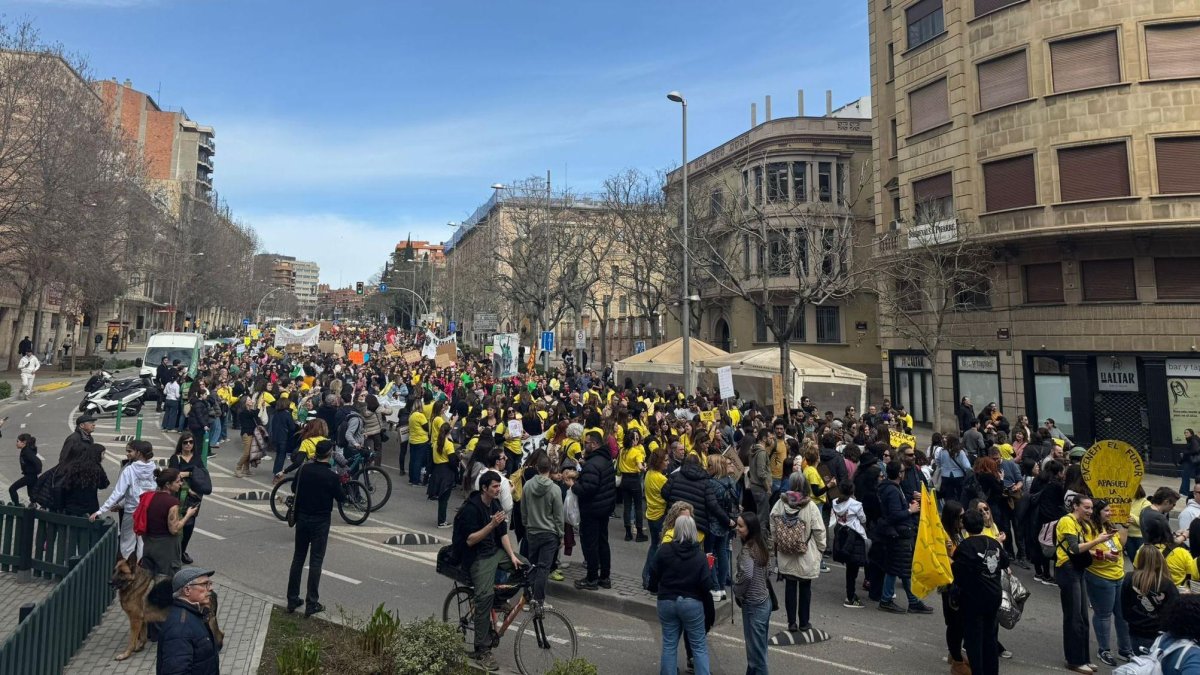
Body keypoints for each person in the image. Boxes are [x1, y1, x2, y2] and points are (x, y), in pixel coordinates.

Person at [461, 470, 524, 672]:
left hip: (495, 552)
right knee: (483, 597)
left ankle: (499, 599)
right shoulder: (472, 508)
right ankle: (482, 649)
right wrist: (491, 524)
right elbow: (470, 540)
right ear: (485, 488)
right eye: (495, 486)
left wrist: (513, 556)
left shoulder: (496, 504)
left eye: (499, 486)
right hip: (478, 557)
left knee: (525, 568)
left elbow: (502, 534)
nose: (498, 490)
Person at [1056, 494, 1115, 673]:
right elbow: (1075, 548)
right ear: (1075, 506)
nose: (1090, 511)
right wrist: (1098, 541)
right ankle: (1074, 660)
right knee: (1073, 617)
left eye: (1091, 508)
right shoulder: (1067, 521)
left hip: (1078, 569)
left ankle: (1083, 658)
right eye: (1086, 508)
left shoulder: (1081, 524)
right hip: (1067, 569)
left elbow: (1085, 549)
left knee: (1082, 617)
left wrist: (1103, 554)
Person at [286, 440, 345, 617]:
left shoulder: (304, 469)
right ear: (329, 455)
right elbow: (341, 497)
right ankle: (312, 602)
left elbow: (293, 487)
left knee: (298, 558)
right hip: (321, 521)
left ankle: (292, 598)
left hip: (302, 518)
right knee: (316, 561)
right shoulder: (331, 476)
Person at [649, 513, 711, 675]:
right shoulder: (699, 556)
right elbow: (706, 585)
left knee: (669, 643)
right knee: (698, 645)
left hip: (667, 600)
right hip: (692, 602)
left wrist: (654, 588)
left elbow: (653, 573)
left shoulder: (664, 550)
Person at [951, 508, 1008, 675]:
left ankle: (978, 671)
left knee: (974, 639)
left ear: (965, 527)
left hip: (974, 598)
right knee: (990, 637)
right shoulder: (994, 543)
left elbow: (958, 572)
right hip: (993, 595)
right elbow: (1004, 562)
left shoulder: (966, 546)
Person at [771, 475, 827, 633]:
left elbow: (772, 522)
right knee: (805, 587)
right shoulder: (810, 506)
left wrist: (778, 541)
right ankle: (804, 622)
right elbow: (819, 530)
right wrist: (821, 548)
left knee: (790, 586)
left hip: (785, 551)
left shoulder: (781, 502)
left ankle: (791, 623)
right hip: (805, 553)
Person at [876, 461, 933, 613]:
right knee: (901, 568)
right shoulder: (892, 490)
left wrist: (908, 501)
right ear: (899, 474)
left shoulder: (891, 488)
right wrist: (910, 510)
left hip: (898, 532)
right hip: (899, 533)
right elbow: (894, 515)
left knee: (898, 568)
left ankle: (904, 600)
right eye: (902, 471)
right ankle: (892, 600)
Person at [1086, 499, 1133, 665]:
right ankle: (1103, 650)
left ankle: (1125, 650)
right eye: (1106, 510)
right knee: (1104, 615)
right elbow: (1084, 549)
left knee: (1122, 615)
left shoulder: (1109, 526)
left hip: (1118, 576)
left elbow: (1120, 544)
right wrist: (1104, 556)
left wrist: (1125, 527)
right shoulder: (1089, 529)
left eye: (1110, 510)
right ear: (1098, 512)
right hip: (1100, 578)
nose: (1110, 513)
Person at [91, 440, 158, 558]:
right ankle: (139, 570)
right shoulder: (155, 468)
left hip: (132, 511)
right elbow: (151, 492)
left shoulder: (129, 470)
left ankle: (125, 571)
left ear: (138, 453)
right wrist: (121, 504)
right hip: (149, 510)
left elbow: (118, 492)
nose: (127, 454)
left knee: (127, 543)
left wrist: (101, 510)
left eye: (129, 451)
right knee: (142, 542)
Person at [572, 430, 616, 590]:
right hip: (604, 508)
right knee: (603, 542)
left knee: (591, 544)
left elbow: (588, 488)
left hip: (592, 510)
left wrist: (574, 485)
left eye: (586, 443)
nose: (584, 446)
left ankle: (591, 579)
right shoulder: (605, 459)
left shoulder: (592, 463)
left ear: (594, 444)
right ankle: (605, 577)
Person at [156, 567, 220, 675]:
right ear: (187, 590)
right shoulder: (179, 628)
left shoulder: (194, 615)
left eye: (210, 583)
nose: (210, 588)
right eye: (205, 584)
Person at [1121, 544, 1179, 655]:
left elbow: (1124, 608)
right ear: (1159, 560)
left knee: (1142, 664)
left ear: (1140, 559)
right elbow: (1174, 611)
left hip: (1135, 631)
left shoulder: (1129, 578)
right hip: (1159, 634)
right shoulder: (1166, 584)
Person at [521, 454, 563, 609]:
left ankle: (527, 598)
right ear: (550, 469)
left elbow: (523, 510)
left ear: (537, 468)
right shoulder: (555, 489)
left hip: (532, 531)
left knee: (531, 565)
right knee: (543, 568)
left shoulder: (527, 486)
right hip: (549, 533)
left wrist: (527, 524)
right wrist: (561, 534)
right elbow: (558, 515)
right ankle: (539, 600)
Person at [140, 468, 198, 578]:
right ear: (167, 484)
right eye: (177, 481)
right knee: (167, 581)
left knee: (148, 579)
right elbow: (174, 529)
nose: (180, 484)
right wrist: (188, 515)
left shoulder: (148, 497)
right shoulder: (172, 502)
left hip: (149, 544)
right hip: (166, 549)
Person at [734, 511, 772, 675]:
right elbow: (768, 571)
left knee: (756, 657)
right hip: (764, 601)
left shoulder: (747, 550)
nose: (737, 528)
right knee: (758, 650)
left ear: (750, 528)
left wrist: (737, 590)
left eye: (741, 526)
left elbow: (748, 574)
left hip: (753, 605)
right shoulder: (760, 545)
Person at [169, 433, 206, 565]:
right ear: (181, 444)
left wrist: (188, 473)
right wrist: (187, 488)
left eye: (191, 442)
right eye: (185, 442)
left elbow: (202, 473)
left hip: (195, 495)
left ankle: (183, 550)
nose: (188, 445)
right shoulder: (175, 458)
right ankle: (175, 552)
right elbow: (172, 476)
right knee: (177, 523)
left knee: (190, 524)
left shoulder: (197, 458)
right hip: (180, 495)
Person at [831, 479, 868, 608]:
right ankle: (850, 597)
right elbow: (863, 518)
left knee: (849, 568)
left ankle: (850, 594)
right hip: (854, 535)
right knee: (854, 567)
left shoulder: (835, 502)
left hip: (841, 534)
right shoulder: (855, 504)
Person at [642, 448, 670, 590]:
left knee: (653, 546)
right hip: (660, 516)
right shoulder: (661, 479)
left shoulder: (648, 474)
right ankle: (650, 578)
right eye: (665, 460)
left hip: (651, 514)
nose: (667, 463)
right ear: (659, 462)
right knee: (658, 549)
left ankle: (646, 575)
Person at [617, 428, 648, 542]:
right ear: (633, 441)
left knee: (627, 506)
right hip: (634, 479)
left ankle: (628, 533)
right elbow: (640, 467)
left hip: (624, 479)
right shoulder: (636, 452)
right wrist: (644, 468)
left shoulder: (622, 451)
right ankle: (639, 533)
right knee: (638, 506)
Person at [429, 422, 457, 528]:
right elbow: (452, 461)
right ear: (449, 431)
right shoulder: (449, 444)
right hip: (446, 471)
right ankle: (441, 521)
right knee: (444, 498)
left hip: (437, 470)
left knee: (442, 498)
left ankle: (441, 519)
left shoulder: (436, 443)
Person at [8, 433, 40, 506]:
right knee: (32, 497)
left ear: (23, 442)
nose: (16, 443)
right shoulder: (26, 450)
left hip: (30, 476)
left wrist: (36, 472)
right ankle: (34, 510)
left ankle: (16, 507)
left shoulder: (27, 451)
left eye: (17, 441)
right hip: (31, 476)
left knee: (12, 489)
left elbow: (37, 462)